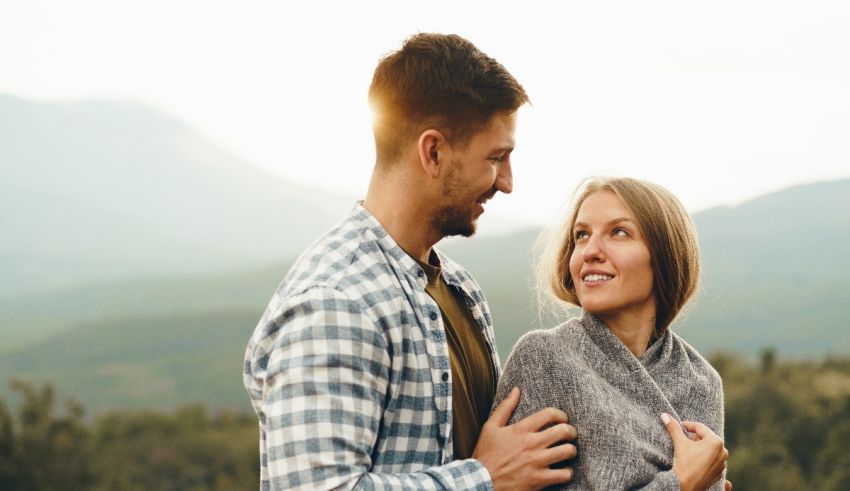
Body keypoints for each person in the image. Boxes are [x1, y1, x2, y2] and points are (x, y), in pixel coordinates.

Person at [243, 33, 577, 490]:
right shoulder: (337, 303)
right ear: (433, 152)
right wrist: (484, 479)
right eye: (496, 158)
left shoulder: (460, 288)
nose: (506, 182)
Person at [493, 177, 728, 490]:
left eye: (619, 232)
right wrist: (680, 484)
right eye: (581, 235)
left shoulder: (701, 382)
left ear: (666, 256)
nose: (590, 251)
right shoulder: (544, 358)